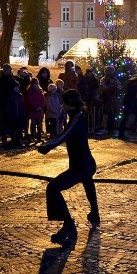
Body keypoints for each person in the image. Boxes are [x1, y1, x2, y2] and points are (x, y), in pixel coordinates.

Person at [37, 89, 100, 246]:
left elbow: (66, 135)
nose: (61, 105)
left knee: (53, 188)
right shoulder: (76, 116)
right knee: (87, 182)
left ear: (70, 104)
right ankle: (95, 213)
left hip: (81, 166)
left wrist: (48, 146)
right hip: (84, 164)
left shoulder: (78, 118)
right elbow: (65, 134)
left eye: (63, 102)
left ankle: (69, 226)